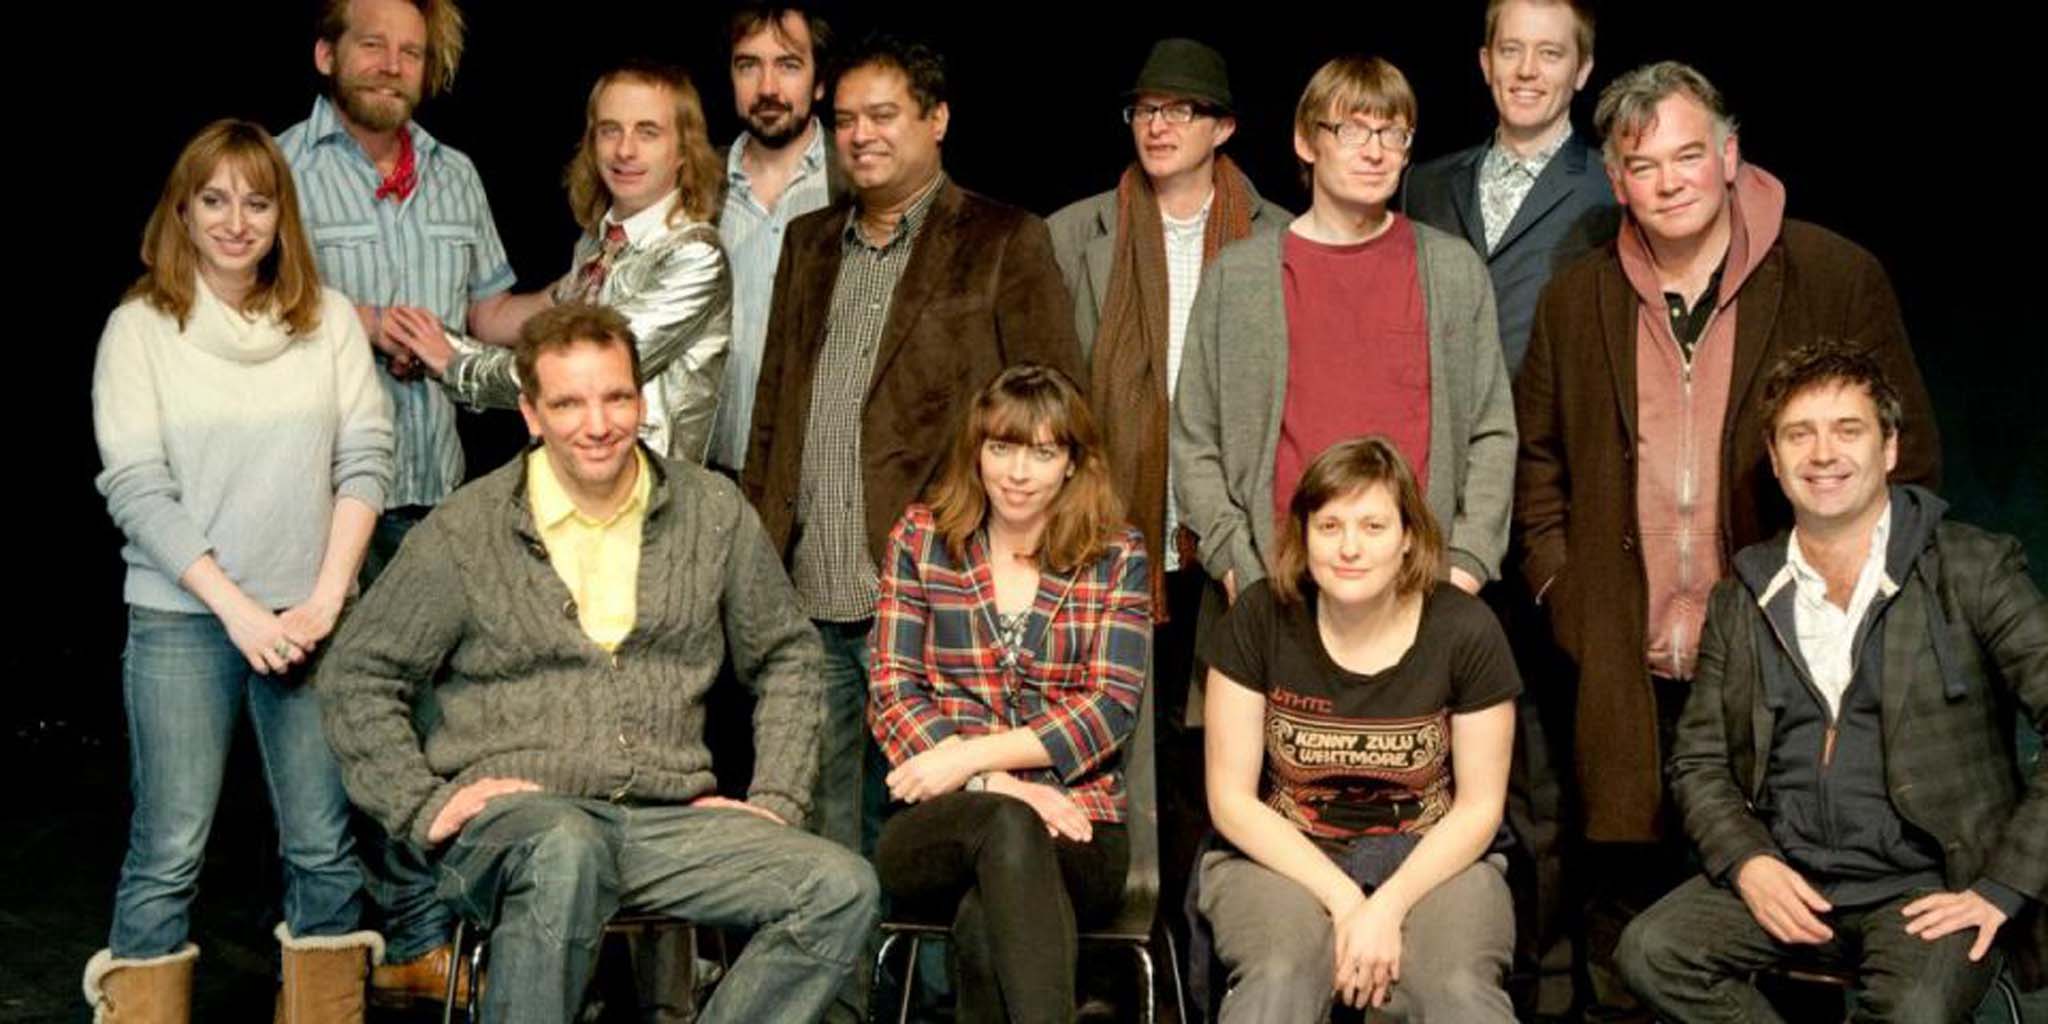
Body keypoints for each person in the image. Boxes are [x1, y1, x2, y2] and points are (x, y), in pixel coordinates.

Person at [1512, 60, 1942, 1015]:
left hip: (1791, 683)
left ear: (1731, 154)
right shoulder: (1576, 299)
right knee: (1628, 931)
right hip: (1632, 665)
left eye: (1688, 155)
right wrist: (1564, 594)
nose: (1669, 181)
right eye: (1642, 163)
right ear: (1615, 180)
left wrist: (1843, 614)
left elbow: (1908, 468)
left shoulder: (1832, 273)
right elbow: (1534, 465)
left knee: (1783, 913)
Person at [318, 303, 880, 1024]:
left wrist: (775, 802)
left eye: (616, 396)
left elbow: (788, 654)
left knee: (839, 885)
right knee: (567, 846)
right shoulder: (466, 528)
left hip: (666, 821)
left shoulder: (711, 511)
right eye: (569, 403)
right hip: (517, 825)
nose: (598, 423)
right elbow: (359, 672)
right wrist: (423, 805)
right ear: (530, 413)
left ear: (641, 399)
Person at [1617, 344, 2048, 1021]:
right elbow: (1698, 761)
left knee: (1916, 1008)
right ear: (1776, 455)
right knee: (1651, 951)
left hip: (1927, 887)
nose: (1823, 453)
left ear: (1890, 448)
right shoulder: (1743, 595)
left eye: (1848, 430)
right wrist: (1747, 862)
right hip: (1791, 877)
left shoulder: (1972, 568)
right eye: (1800, 434)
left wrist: (2003, 886)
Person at [743, 32, 1083, 856]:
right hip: (809, 596)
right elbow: (772, 414)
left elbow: (1059, 416)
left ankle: (927, 994)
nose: (860, 134)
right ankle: (844, 991)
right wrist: (756, 556)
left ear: (937, 119)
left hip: (943, 595)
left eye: (884, 115)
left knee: (931, 834)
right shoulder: (810, 242)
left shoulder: (1005, 239)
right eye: (846, 118)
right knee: (824, 844)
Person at [84, 118, 394, 1023]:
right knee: (170, 843)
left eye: (257, 202)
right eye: (214, 200)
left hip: (311, 616)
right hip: (186, 618)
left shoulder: (329, 320)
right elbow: (138, 489)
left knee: (324, 846)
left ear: (280, 216)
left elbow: (365, 460)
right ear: (182, 210)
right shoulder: (139, 329)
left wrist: (325, 600)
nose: (235, 220)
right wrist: (240, 613)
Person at [278, 2, 552, 996]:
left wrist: (574, 298)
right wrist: (356, 322)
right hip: (308, 504)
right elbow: (237, 287)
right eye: (370, 44)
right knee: (320, 734)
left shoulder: (455, 173)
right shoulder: (278, 169)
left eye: (410, 51)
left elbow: (487, 312)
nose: (391, 64)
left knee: (432, 726)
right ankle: (323, 947)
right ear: (325, 54)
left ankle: (413, 942)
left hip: (432, 495)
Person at [1196, 436, 1519, 1021]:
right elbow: (1231, 801)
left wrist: (1387, 906)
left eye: (1373, 527)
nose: (1349, 548)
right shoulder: (1258, 619)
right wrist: (1346, 901)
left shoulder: (1466, 629)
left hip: (1434, 856)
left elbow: (1479, 808)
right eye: (1330, 526)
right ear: (1304, 536)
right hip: (1282, 855)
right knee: (1279, 978)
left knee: (1456, 990)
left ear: (1408, 538)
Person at [868, 364, 1149, 1023]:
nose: (1018, 474)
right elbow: (893, 690)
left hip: (1081, 827)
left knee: (983, 924)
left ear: (1074, 464)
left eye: (1042, 453)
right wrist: (1000, 786)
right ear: (978, 451)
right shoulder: (922, 539)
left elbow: (1109, 708)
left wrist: (969, 759)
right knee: (1009, 822)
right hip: (937, 824)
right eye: (1002, 448)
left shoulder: (1116, 553)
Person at [401, 61, 732, 464]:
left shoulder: (695, 256)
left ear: (683, 150)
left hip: (647, 505)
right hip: (572, 487)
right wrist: (428, 342)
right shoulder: (598, 243)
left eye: (648, 132)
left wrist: (454, 364)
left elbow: (579, 371)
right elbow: (545, 337)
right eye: (610, 130)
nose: (625, 150)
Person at [1403, 0, 1617, 374]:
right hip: (1436, 426)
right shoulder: (1422, 186)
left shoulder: (1612, 189)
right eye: (1510, 50)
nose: (1526, 70)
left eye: (1549, 53)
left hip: (1553, 429)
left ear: (1582, 70)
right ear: (1486, 63)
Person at [709, 3, 847, 477]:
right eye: (749, 65)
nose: (767, 88)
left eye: (788, 65)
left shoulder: (856, 185)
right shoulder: (693, 186)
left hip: (816, 480)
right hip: (708, 475)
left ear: (821, 81)